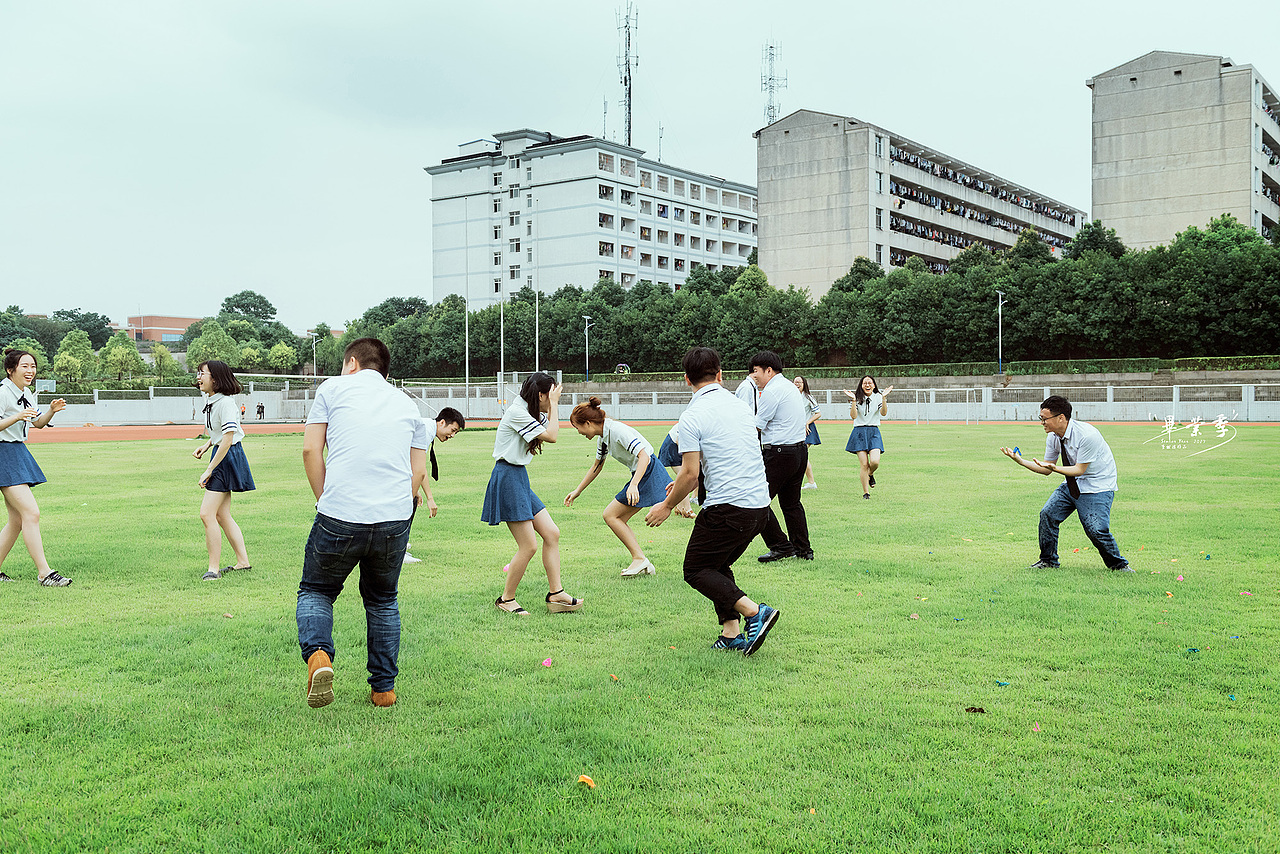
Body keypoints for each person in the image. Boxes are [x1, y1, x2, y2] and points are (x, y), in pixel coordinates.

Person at [297, 338, 428, 709]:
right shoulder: (407, 403)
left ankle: (319, 656)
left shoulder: (332, 389)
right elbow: (417, 471)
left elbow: (310, 449)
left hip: (340, 512)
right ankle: (383, 690)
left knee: (317, 591)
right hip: (394, 518)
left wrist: (324, 498)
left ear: (352, 363)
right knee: (383, 601)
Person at [645, 346, 779, 656]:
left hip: (729, 506)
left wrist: (666, 506)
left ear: (686, 379)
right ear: (720, 374)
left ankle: (754, 611)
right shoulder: (741, 406)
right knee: (717, 564)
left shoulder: (692, 415)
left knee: (695, 569)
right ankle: (731, 633)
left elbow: (690, 473)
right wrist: (678, 487)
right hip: (760, 505)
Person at [483, 372, 583, 615]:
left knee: (551, 533)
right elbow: (552, 436)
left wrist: (552, 404)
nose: (552, 400)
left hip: (518, 477)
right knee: (528, 546)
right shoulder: (517, 412)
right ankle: (506, 599)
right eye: (550, 396)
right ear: (540, 395)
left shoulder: (528, 411)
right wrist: (555, 404)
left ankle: (556, 593)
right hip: (508, 477)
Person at [1000, 395, 1131, 573]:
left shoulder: (1087, 435)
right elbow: (1046, 469)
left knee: (1096, 529)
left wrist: (1054, 468)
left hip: (1097, 485)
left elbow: (1079, 470)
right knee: (1048, 515)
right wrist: (1020, 461)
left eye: (1044, 419)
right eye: (1041, 418)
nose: (1042, 423)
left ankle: (1119, 566)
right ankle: (1048, 561)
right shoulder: (1054, 437)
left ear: (1061, 417)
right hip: (1071, 482)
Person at [564, 396, 672, 577]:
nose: (579, 432)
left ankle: (640, 559)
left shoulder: (617, 430)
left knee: (611, 515)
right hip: (642, 472)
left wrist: (634, 485)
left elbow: (644, 456)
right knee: (614, 517)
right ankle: (641, 560)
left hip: (647, 470)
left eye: (578, 427)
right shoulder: (603, 437)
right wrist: (577, 491)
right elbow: (597, 466)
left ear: (588, 423)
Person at [0, 349, 69, 586]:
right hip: (3, 452)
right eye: (25, 366)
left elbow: (37, 423)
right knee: (31, 513)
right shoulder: (2, 392)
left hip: (16, 452)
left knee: (18, 520)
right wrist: (17, 417)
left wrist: (50, 410)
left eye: (33, 366)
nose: (30, 371)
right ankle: (45, 573)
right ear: (11, 370)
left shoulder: (26, 392)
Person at [192, 361, 254, 581]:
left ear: (216, 379)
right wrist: (207, 444)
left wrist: (209, 469)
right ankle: (243, 562)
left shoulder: (225, 403)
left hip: (227, 457)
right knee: (221, 514)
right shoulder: (213, 400)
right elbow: (220, 434)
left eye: (203, 374)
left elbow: (228, 439)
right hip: (222, 453)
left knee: (206, 513)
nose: (199, 377)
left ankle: (213, 569)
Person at [749, 351, 812, 563]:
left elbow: (757, 426)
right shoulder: (789, 387)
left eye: (755, 371)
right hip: (798, 452)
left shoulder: (772, 391)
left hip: (779, 454)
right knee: (792, 504)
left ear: (769, 370)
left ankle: (780, 545)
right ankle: (803, 550)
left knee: (757, 499)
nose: (752, 376)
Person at [403, 407, 465, 564]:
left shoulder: (427, 427)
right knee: (405, 504)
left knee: (410, 502)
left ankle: (400, 544)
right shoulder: (425, 429)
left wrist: (416, 489)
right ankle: (397, 549)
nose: (452, 435)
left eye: (456, 433)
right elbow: (420, 469)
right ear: (442, 422)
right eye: (452, 430)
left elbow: (418, 467)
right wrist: (430, 499)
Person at [843, 375, 893, 499]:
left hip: (873, 431)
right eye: (864, 383)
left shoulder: (878, 397)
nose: (867, 385)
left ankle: (870, 474)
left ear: (874, 385)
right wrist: (854, 401)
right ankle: (866, 493)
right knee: (864, 464)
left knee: (875, 461)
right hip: (859, 431)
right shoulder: (856, 397)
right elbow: (853, 416)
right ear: (861, 385)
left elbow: (884, 413)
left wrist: (884, 398)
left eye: (870, 383)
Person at [655, 424, 696, 518]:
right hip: (673, 447)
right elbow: (679, 440)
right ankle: (687, 509)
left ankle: (679, 506)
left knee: (688, 477)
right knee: (685, 479)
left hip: (680, 447)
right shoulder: (691, 421)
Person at [794, 375, 821, 489]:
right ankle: (810, 483)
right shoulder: (791, 397)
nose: (797, 384)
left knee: (801, 456)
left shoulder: (808, 398)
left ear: (804, 384)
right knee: (801, 457)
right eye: (795, 382)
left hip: (807, 430)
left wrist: (807, 422)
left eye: (799, 382)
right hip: (795, 430)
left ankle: (811, 482)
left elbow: (818, 413)